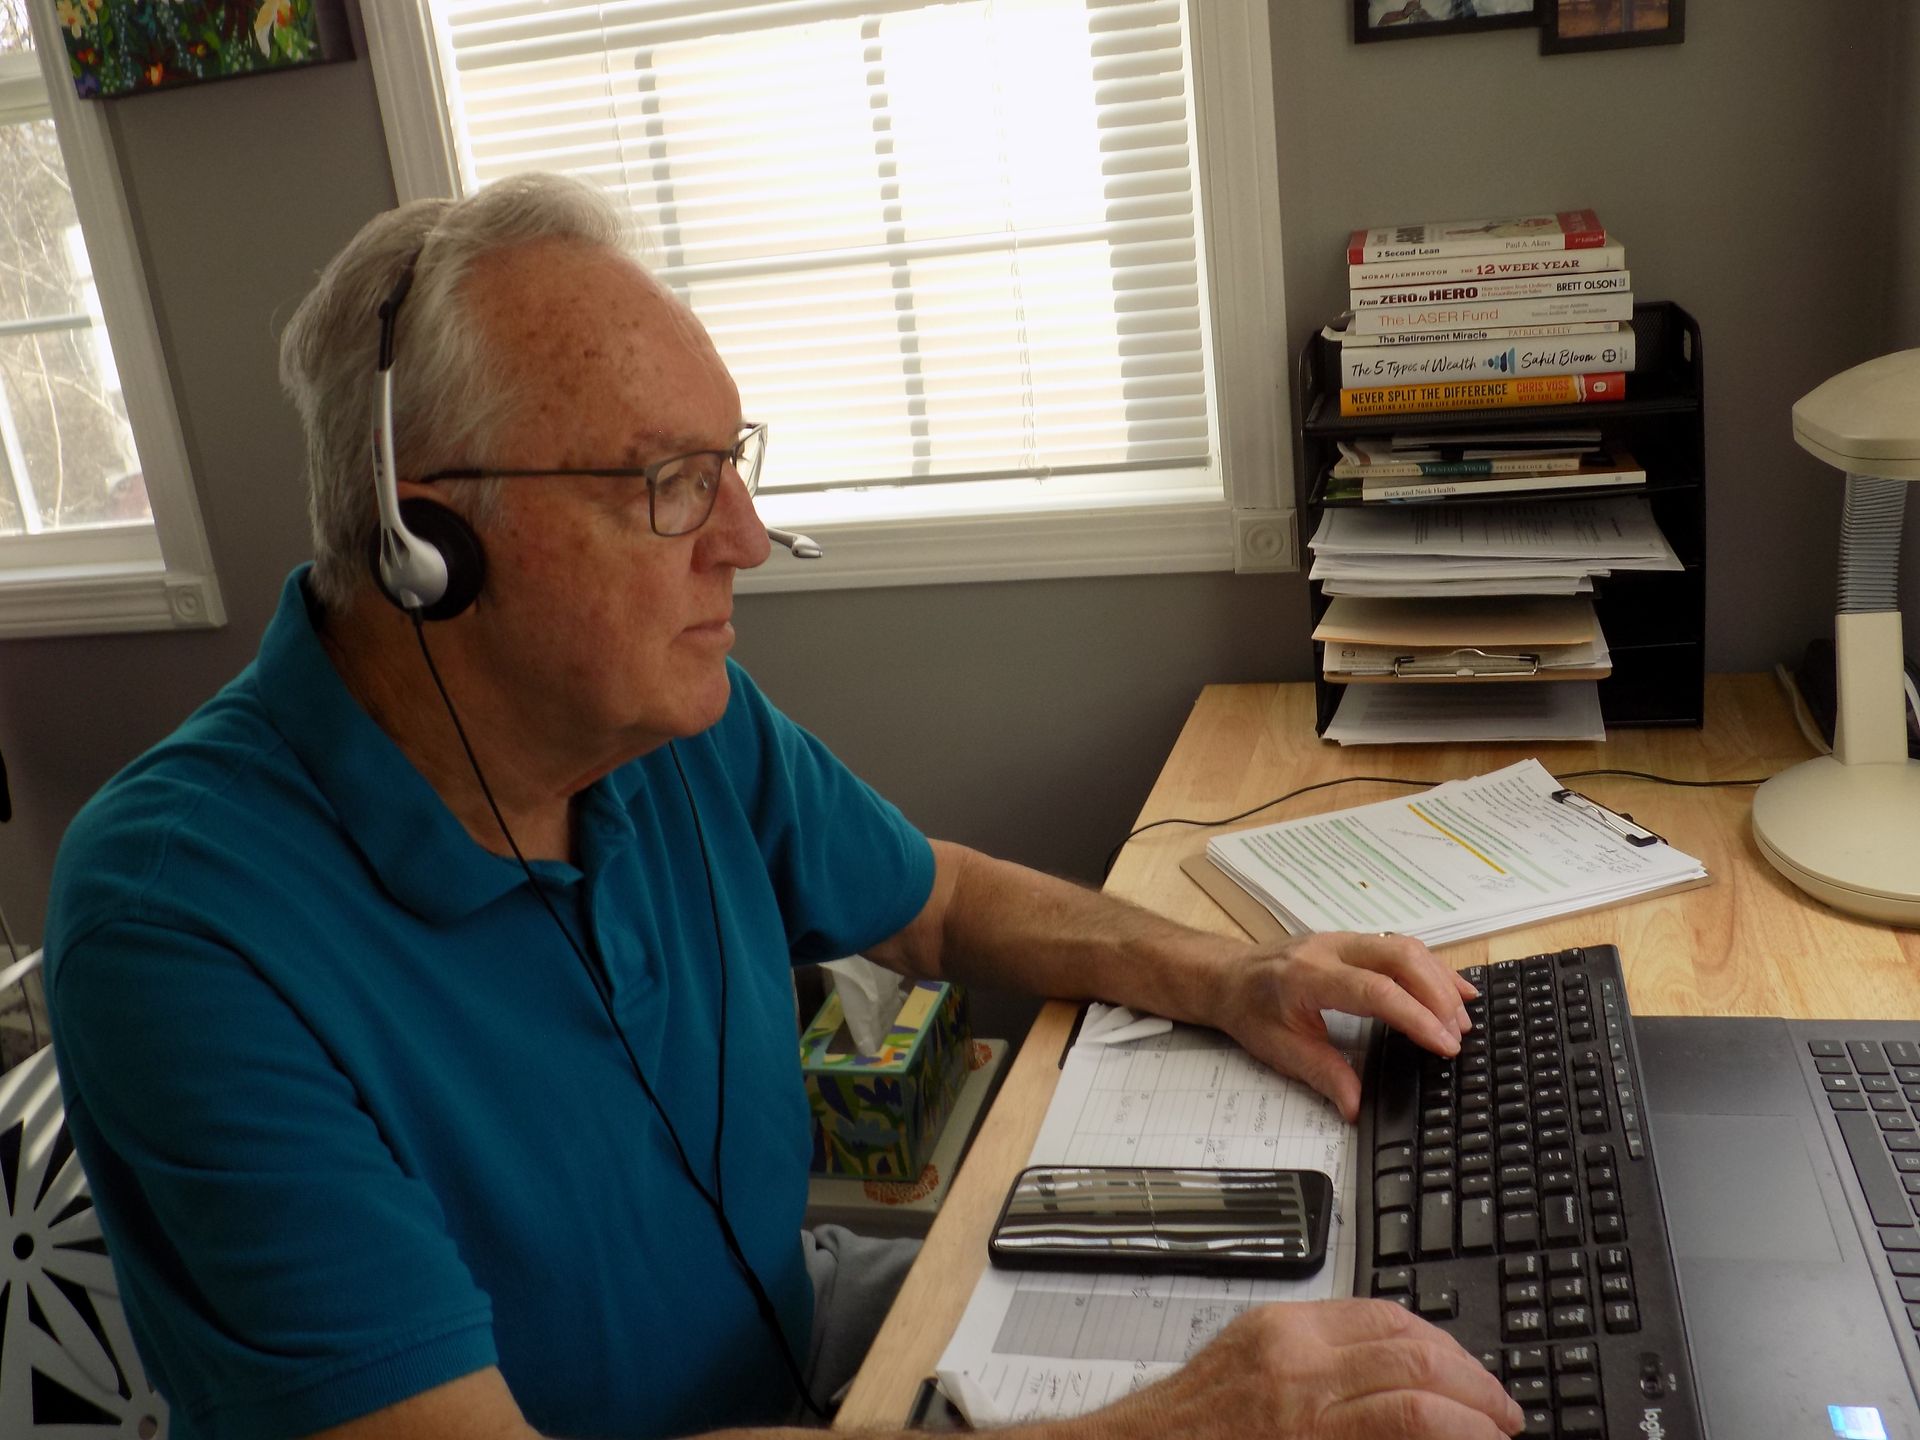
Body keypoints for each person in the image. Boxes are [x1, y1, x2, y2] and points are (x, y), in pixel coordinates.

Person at [44, 173, 1523, 1440]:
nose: (748, 541)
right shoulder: (177, 924)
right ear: (426, 541)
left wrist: (1235, 975)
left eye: (733, 468)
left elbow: (938, 902)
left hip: (795, 1332)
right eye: (671, 484)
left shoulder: (673, 724)